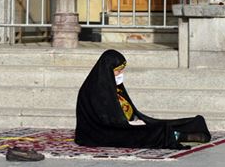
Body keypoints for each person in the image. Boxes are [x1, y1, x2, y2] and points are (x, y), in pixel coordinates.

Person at [74, 49, 211, 149]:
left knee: (158, 124)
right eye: (118, 71)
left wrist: (134, 120)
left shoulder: (114, 87)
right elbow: (105, 119)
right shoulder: (94, 90)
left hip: (124, 124)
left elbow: (127, 110)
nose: (121, 74)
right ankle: (177, 136)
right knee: (149, 132)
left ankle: (184, 130)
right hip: (102, 132)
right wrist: (128, 124)